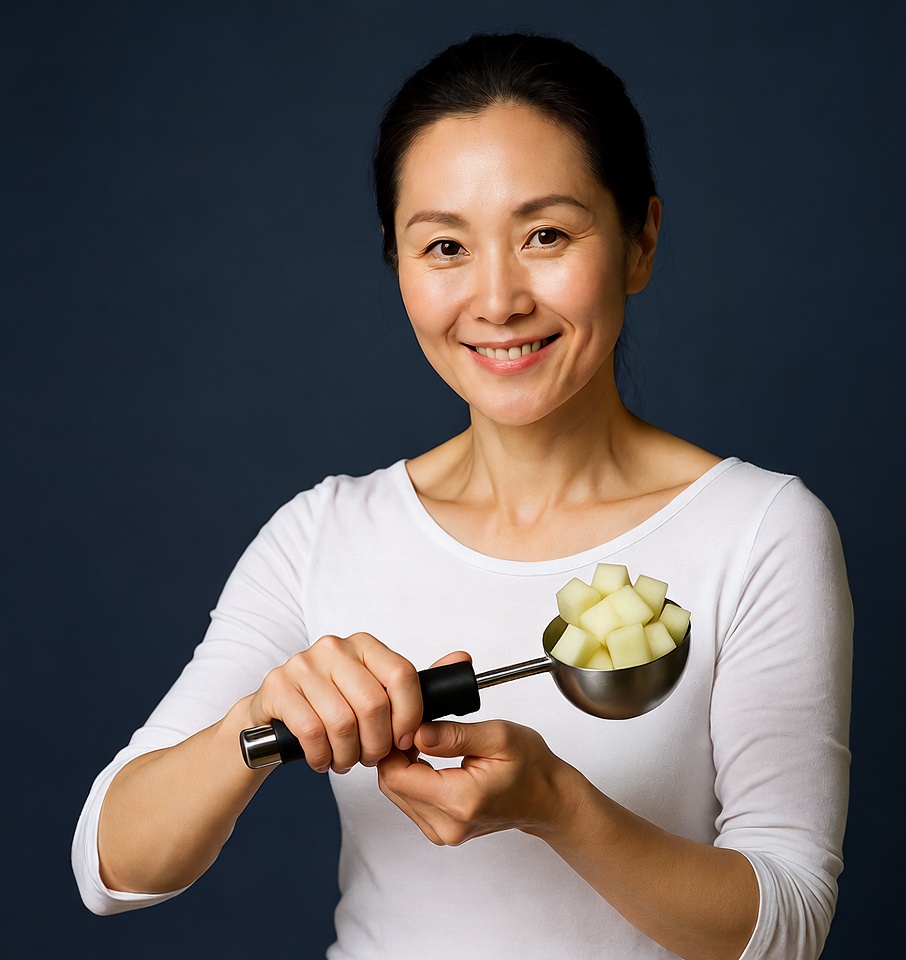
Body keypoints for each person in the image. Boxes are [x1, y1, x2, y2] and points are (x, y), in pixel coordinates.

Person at [73, 33, 853, 960]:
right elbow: (110, 867)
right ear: (398, 264)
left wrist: (557, 805)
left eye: (546, 235)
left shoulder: (758, 530)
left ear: (641, 241)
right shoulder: (323, 535)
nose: (497, 299)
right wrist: (252, 723)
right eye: (445, 245)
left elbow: (789, 922)